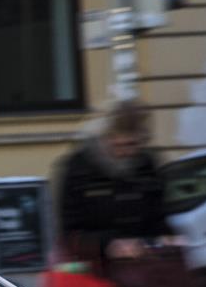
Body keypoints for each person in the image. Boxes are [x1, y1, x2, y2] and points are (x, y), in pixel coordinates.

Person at [56, 101, 169, 264]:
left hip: (141, 269)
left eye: (134, 144)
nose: (127, 152)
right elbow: (70, 231)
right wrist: (109, 244)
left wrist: (159, 241)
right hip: (95, 269)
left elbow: (159, 217)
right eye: (119, 145)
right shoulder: (80, 167)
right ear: (106, 137)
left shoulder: (147, 164)